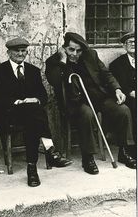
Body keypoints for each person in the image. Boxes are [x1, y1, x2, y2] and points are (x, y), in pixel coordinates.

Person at [45, 32, 136, 174]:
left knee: (123, 110)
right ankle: (88, 158)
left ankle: (124, 152)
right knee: (87, 114)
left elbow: (106, 74)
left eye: (79, 50)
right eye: (71, 50)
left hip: (99, 98)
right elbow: (55, 80)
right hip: (75, 102)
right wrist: (63, 60)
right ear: (64, 48)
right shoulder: (54, 61)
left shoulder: (90, 55)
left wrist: (117, 89)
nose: (75, 54)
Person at [0, 38, 72, 187]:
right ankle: (50, 150)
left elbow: (43, 96)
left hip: (30, 115)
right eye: (17, 51)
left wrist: (34, 99)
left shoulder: (33, 71)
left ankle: (32, 168)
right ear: (8, 53)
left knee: (32, 118)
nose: (20, 54)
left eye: (23, 51)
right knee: (35, 115)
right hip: (7, 114)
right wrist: (18, 102)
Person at [109, 32, 136, 147]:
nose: (134, 44)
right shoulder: (117, 64)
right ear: (124, 46)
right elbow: (121, 84)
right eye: (130, 42)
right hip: (128, 97)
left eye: (136, 42)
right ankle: (133, 145)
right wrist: (132, 92)